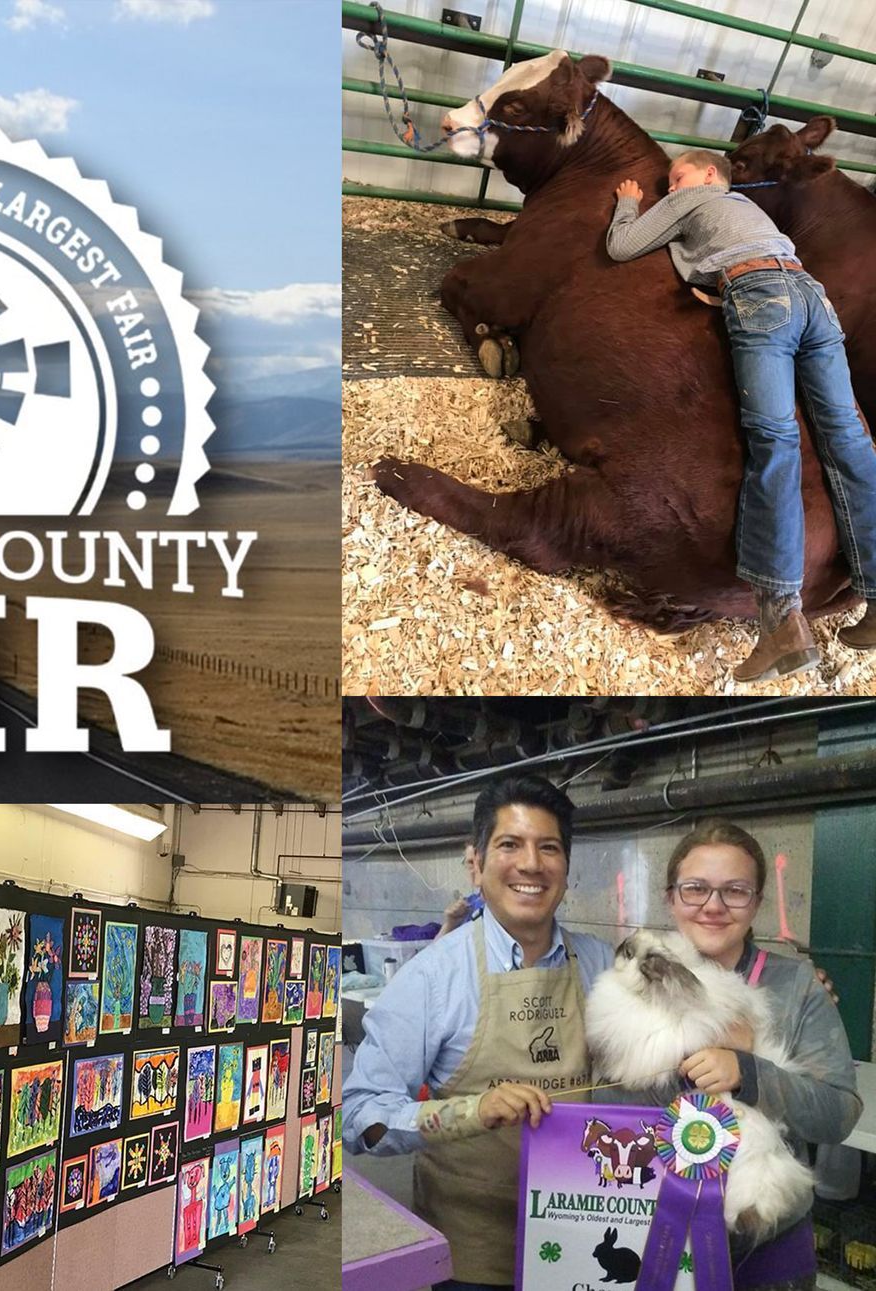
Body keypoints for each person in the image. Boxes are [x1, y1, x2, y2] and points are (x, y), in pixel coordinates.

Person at [605, 149, 876, 681]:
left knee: (775, 441)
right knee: (849, 439)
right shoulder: (755, 214)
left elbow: (622, 249)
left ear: (710, 175)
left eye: (676, 177)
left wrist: (629, 205)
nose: (670, 186)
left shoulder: (693, 198)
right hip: (811, 296)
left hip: (760, 294)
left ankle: (781, 624)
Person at [342, 774, 611, 1291]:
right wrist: (471, 1111)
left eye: (548, 847)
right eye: (510, 844)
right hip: (473, 1251)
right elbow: (360, 1118)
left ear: (566, 868)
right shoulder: (432, 977)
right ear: (477, 862)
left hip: (582, 1237)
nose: (531, 864)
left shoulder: (601, 964)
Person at [639, 820, 861, 1289]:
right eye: (695, 888)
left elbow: (839, 1114)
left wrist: (749, 1072)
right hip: (656, 1233)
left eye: (735, 891)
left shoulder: (797, 986)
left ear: (757, 901)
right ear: (671, 897)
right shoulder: (633, 982)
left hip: (769, 1242)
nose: (714, 906)